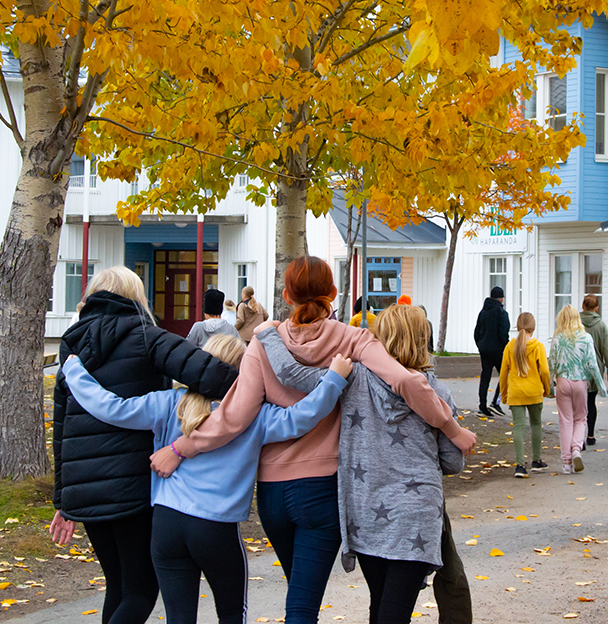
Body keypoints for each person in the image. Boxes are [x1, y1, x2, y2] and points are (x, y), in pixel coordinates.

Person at [150, 256, 475, 624]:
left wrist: (181, 447)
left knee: (299, 598)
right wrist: (452, 429)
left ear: (286, 296)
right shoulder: (353, 339)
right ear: (333, 292)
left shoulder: (263, 344)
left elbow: (235, 417)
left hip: (273, 492)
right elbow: (406, 381)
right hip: (321, 489)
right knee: (302, 607)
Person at [61, 334, 351, 624]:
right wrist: (333, 379)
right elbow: (300, 418)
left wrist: (74, 371)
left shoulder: (169, 403)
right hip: (216, 527)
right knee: (231, 614)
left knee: (178, 618)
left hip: (166, 523)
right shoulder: (255, 416)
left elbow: (111, 408)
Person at [50, 266, 240, 624]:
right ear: (135, 297)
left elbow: (60, 429)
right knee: (140, 589)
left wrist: (63, 499)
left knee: (118, 585)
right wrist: (254, 386)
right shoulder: (146, 337)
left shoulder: (72, 349)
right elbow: (216, 375)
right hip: (133, 482)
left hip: (83, 488)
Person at [263, 304, 463, 624]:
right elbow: (453, 461)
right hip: (416, 516)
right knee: (395, 612)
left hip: (366, 513)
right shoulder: (438, 392)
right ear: (422, 340)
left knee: (379, 603)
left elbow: (294, 375)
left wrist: (268, 336)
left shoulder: (352, 377)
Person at [548, 305, 603, 474]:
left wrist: (550, 386)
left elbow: (552, 364)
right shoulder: (586, 338)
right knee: (580, 418)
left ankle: (566, 463)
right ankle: (576, 450)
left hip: (563, 381)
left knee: (565, 420)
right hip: (580, 382)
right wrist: (600, 385)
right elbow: (592, 363)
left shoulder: (557, 339)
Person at [501, 312, 551, 478]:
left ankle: (520, 465)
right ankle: (536, 460)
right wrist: (546, 389)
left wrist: (504, 394)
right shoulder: (538, 346)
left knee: (518, 427)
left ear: (517, 326)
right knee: (536, 424)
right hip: (534, 391)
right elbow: (545, 371)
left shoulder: (510, 347)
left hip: (516, 392)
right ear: (533, 327)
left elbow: (503, 372)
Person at [579, 294, 608, 446]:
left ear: (583, 306)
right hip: (595, 368)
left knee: (579, 403)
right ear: (597, 308)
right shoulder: (601, 326)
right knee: (591, 402)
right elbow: (607, 349)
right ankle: (591, 435)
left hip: (578, 367)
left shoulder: (576, 323)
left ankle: (579, 436)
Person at [473, 287, 510, 418]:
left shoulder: (483, 312)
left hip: (484, 349)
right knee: (505, 375)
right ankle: (495, 402)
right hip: (498, 350)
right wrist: (506, 347)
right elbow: (503, 333)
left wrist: (480, 345)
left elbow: (476, 332)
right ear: (501, 298)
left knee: (485, 376)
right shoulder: (502, 313)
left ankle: (482, 405)